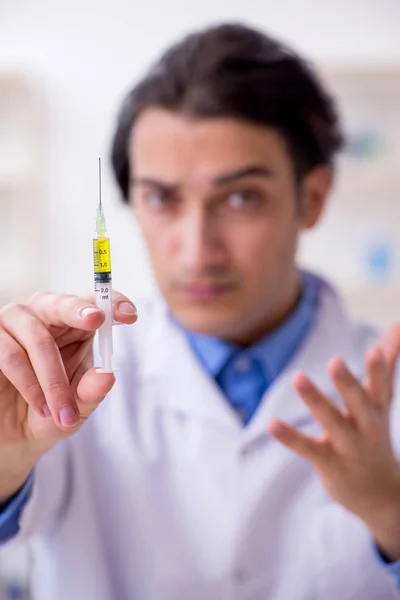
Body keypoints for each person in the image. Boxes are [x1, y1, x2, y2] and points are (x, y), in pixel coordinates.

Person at [1, 22, 400, 600]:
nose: (197, 250)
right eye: (162, 198)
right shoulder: (69, 383)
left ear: (311, 198)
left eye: (241, 198)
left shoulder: (385, 386)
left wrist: (391, 513)